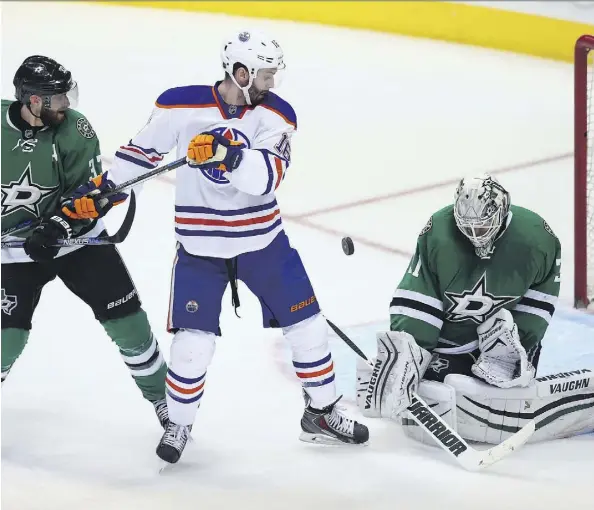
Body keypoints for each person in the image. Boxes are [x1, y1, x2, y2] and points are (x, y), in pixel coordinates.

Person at [63, 30, 369, 464]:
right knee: (191, 346)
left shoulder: (276, 115)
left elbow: (267, 178)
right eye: (264, 75)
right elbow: (142, 152)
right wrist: (107, 189)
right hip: (200, 249)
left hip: (264, 245)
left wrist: (229, 156)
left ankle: (321, 413)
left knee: (310, 330)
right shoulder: (180, 104)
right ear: (240, 73)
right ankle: (180, 423)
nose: (272, 84)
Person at [357, 174, 593, 443]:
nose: (474, 235)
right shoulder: (438, 232)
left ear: (502, 214)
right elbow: (417, 296)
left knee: (499, 381)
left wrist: (518, 347)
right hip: (447, 343)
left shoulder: (537, 240)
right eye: (467, 227)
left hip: (495, 339)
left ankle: (498, 364)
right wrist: (409, 349)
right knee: (433, 384)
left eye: (482, 228)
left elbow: (538, 304)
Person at [1, 55, 169, 430]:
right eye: (57, 99)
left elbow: (91, 198)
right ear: (32, 101)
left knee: (130, 325)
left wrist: (58, 227)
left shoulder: (76, 131)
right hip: (12, 251)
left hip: (77, 243)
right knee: (5, 340)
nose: (66, 105)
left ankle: (167, 403)